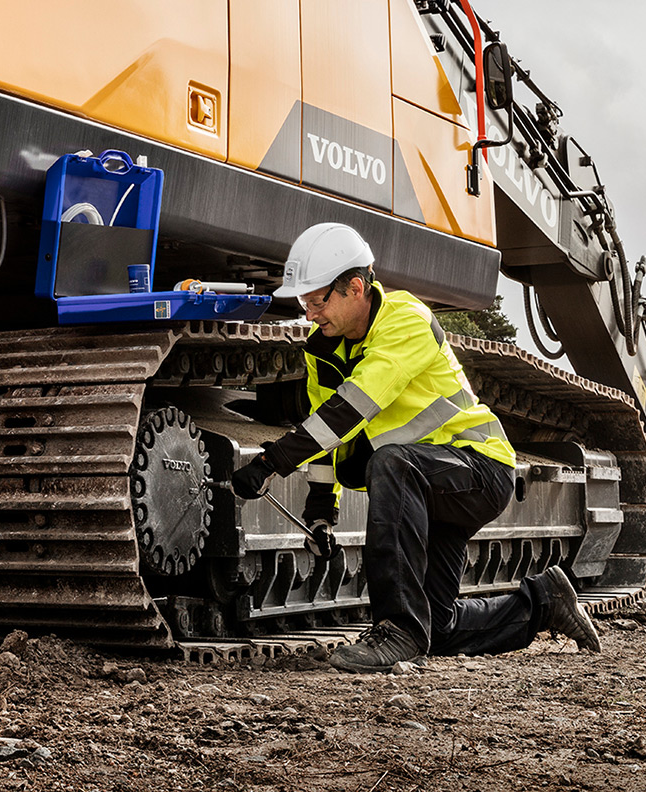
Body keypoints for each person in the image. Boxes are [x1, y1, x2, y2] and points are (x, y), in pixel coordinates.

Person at [229, 222, 602, 673]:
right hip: (428, 484)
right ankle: (545, 601)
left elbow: (354, 408)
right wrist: (321, 513)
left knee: (391, 463)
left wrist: (272, 461)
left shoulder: (405, 318)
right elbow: (326, 434)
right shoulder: (323, 351)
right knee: (438, 629)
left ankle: (397, 629)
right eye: (304, 304)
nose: (310, 315)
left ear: (354, 287)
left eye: (316, 301)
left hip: (479, 469)